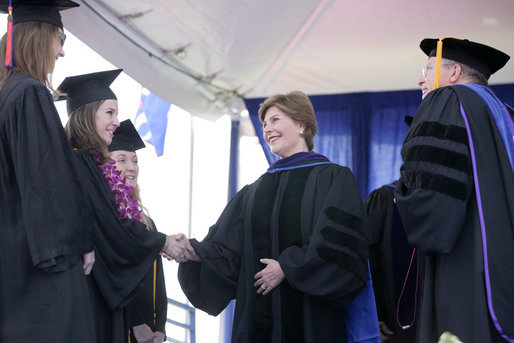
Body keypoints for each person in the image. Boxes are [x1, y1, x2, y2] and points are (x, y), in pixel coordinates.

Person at [178, 90, 379, 342]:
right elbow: (227, 250)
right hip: (257, 326)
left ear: (301, 124)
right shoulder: (253, 192)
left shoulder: (333, 178)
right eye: (263, 124)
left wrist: (288, 266)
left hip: (312, 322)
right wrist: (195, 253)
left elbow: (342, 249)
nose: (267, 129)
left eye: (275, 120)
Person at [58, 69, 194, 343]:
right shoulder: (77, 164)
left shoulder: (82, 164)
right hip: (84, 302)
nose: (116, 122)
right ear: (88, 112)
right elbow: (109, 230)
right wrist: (163, 242)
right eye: (110, 112)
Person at [394, 37, 514, 343]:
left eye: (428, 68)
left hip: (464, 254)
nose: (421, 78)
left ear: (455, 72)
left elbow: (432, 188)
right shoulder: (505, 113)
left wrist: (405, 201)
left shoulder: (448, 98)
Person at [0, 1, 97, 342]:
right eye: (61, 39)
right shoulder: (29, 93)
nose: (61, 53)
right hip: (41, 269)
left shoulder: (6, 94)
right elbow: (48, 182)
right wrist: (80, 242)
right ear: (41, 37)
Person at [108, 120, 167, 343]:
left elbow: (158, 281)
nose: (131, 167)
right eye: (121, 160)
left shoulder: (146, 223)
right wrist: (136, 322)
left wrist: (160, 327)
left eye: (135, 160)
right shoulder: (107, 216)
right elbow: (115, 274)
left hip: (149, 333)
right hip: (119, 326)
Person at [365, 117, 418, 343]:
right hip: (390, 325)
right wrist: (370, 316)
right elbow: (364, 262)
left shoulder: (457, 203)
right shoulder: (384, 199)